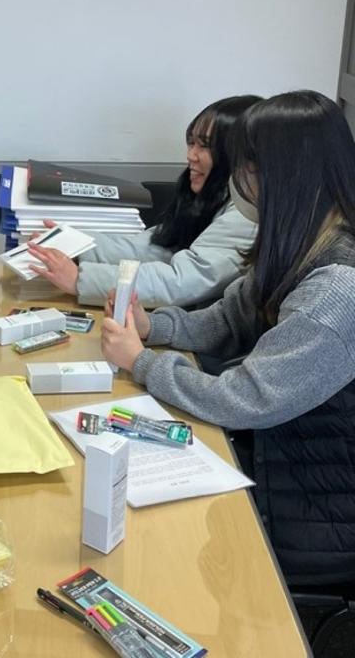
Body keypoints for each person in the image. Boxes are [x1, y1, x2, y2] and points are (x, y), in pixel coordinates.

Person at [101, 91, 355, 582]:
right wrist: (154, 327)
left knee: (154, 553)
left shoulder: (337, 287)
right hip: (276, 459)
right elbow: (229, 318)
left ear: (282, 175)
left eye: (246, 167)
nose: (237, 180)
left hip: (318, 508)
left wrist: (142, 362)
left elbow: (247, 399)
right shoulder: (300, 242)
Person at [29, 95, 261, 308]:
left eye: (204, 146)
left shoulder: (245, 215)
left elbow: (180, 282)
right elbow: (156, 247)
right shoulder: (210, 196)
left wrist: (79, 279)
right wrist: (76, 245)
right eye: (191, 143)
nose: (190, 155)